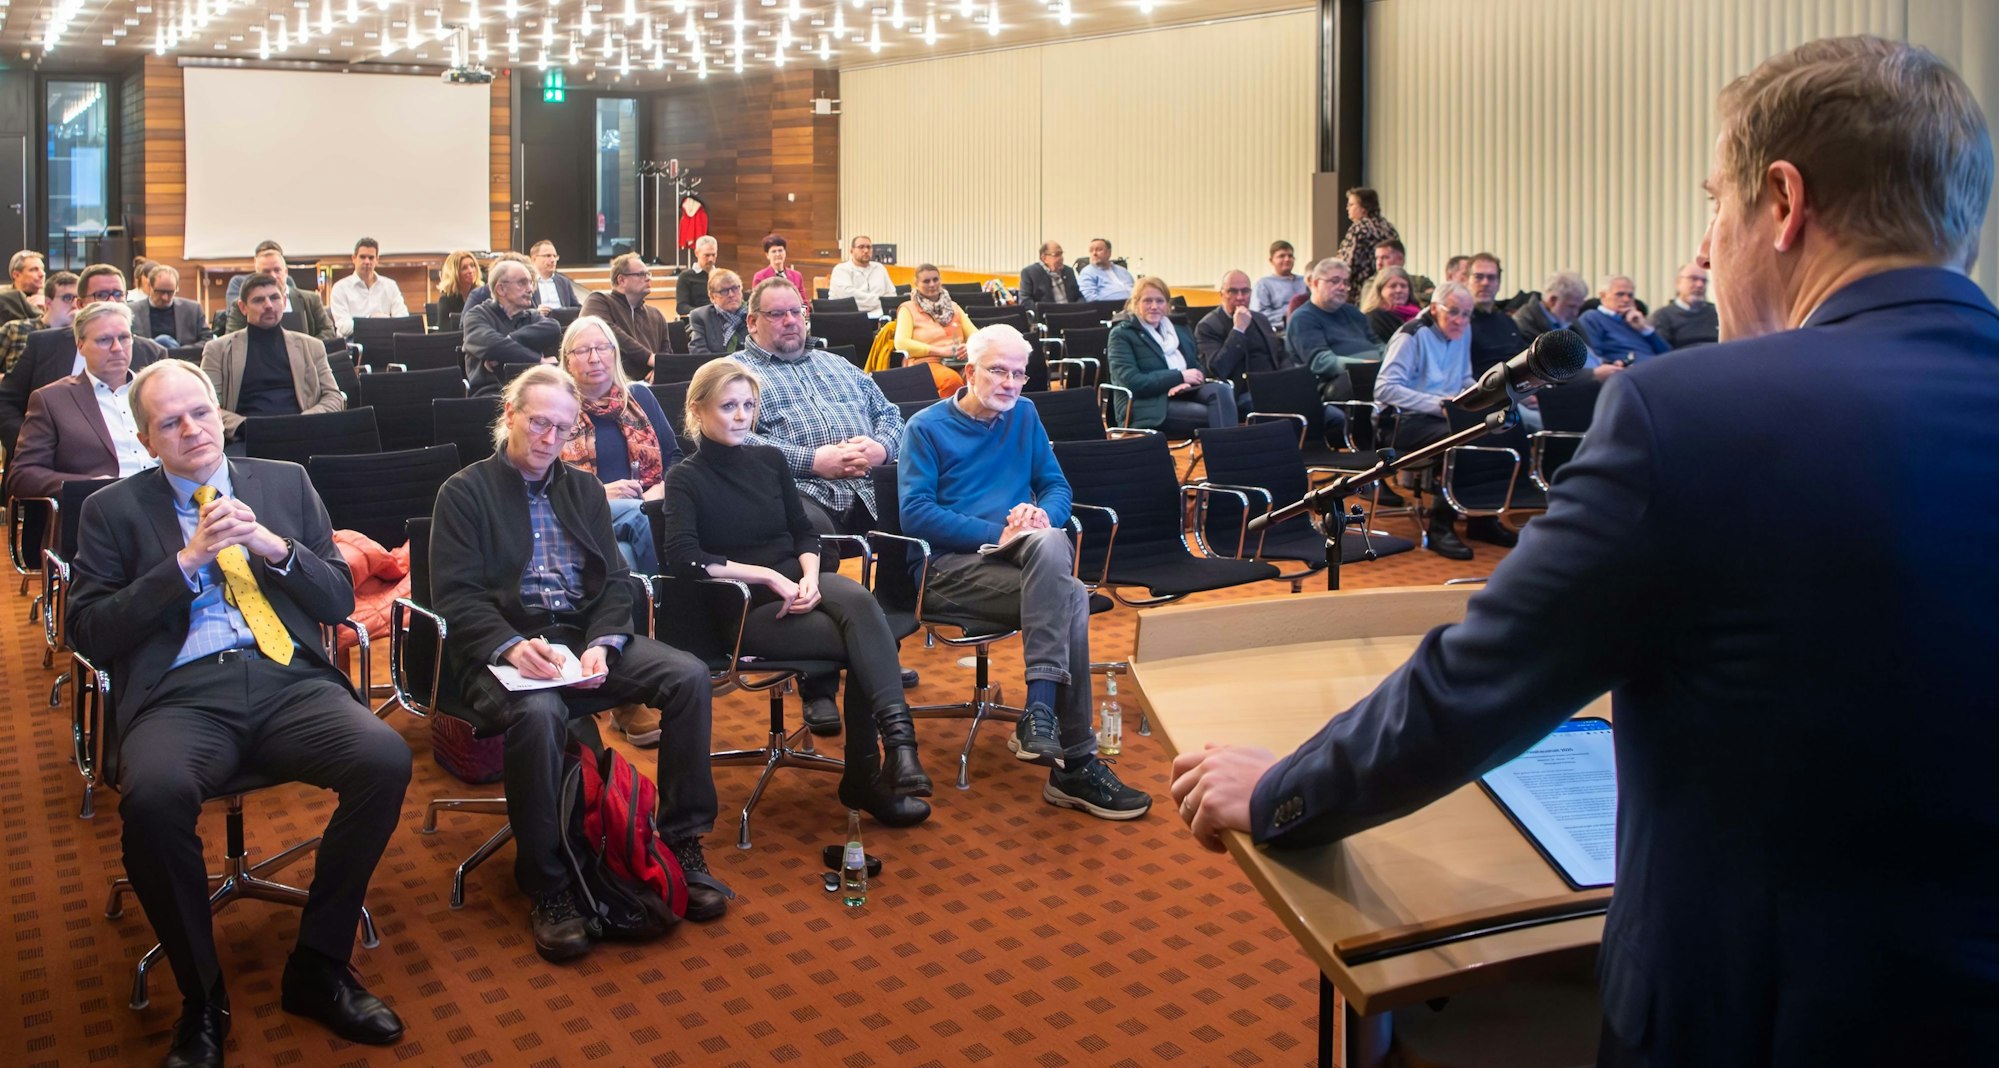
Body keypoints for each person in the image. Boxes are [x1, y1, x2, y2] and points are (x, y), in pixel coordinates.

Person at [1171, 35, 1998, 1068]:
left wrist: (1289, 786)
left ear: (1781, 203)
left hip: (1761, 1017)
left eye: (1715, 200)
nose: (1713, 234)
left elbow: (1477, 684)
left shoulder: (1692, 413)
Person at [66, 359, 412, 1067]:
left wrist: (269, 546)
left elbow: (337, 602)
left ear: (218, 410)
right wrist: (186, 562)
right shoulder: (112, 510)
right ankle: (202, 1000)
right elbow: (91, 632)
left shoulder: (283, 482)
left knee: (384, 759)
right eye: (171, 422)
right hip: (181, 694)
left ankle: (318, 964)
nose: (192, 429)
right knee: (155, 800)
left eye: (199, 411)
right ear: (145, 437)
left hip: (287, 678)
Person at [430, 364, 729, 964]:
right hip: (500, 651)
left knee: (688, 676)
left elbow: (614, 584)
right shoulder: (464, 492)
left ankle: (680, 840)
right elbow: (455, 599)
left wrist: (606, 641)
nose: (548, 437)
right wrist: (513, 646)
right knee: (539, 714)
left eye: (562, 429)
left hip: (578, 639)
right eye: (538, 422)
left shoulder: (584, 490)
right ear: (510, 415)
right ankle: (550, 886)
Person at [660, 358, 933, 827]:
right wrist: (768, 578)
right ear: (698, 411)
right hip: (746, 606)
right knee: (872, 639)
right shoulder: (686, 477)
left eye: (748, 405)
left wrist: (807, 576)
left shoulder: (768, 460)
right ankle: (879, 769)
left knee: (858, 603)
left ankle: (897, 753)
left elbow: (804, 532)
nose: (741, 416)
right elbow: (685, 557)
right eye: (728, 406)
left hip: (799, 583)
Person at [900, 324, 1151, 821]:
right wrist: (1001, 532)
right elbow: (916, 515)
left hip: (1025, 559)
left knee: (1056, 550)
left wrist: (1042, 518)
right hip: (948, 570)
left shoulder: (1026, 415)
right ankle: (1074, 764)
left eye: (1019, 373)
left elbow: (1055, 486)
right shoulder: (925, 428)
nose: (1011, 384)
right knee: (1072, 593)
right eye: (998, 371)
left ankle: (1042, 716)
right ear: (969, 373)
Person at [733, 276, 910, 733]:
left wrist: (880, 451)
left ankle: (879, 651)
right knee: (812, 542)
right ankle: (819, 680)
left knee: (913, 526)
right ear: (753, 322)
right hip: (799, 493)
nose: (791, 321)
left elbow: (891, 416)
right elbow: (737, 439)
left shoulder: (839, 365)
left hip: (869, 484)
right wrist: (814, 461)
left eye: (796, 312)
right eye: (777, 314)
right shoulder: (736, 374)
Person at [1374, 282, 1517, 558]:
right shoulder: (1411, 335)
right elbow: (1384, 389)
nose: (1460, 320)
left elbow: (1462, 377)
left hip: (1445, 414)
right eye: (1453, 312)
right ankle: (1441, 525)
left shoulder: (1462, 329)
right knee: (1461, 441)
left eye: (1466, 314)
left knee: (1497, 430)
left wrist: (1483, 396)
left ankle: (1481, 519)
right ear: (1435, 308)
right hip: (1402, 422)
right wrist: (1438, 405)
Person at [557, 315, 677, 579]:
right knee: (634, 529)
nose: (594, 358)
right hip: (582, 513)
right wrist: (598, 493)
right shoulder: (558, 408)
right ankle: (666, 604)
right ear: (568, 360)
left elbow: (675, 459)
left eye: (602, 348)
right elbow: (545, 479)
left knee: (625, 553)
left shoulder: (640, 396)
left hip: (648, 507)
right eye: (583, 350)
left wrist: (658, 490)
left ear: (614, 353)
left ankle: (647, 614)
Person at [0, 265, 166, 456]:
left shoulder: (152, 353)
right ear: (79, 304)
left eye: (119, 294)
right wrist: (31, 442)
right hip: (54, 460)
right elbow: (6, 402)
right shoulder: (43, 344)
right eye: (102, 294)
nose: (112, 302)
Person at [4, 301, 159, 498]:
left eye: (124, 337)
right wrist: (86, 486)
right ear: (81, 345)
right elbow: (22, 475)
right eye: (104, 340)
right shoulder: (52, 400)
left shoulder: (157, 391)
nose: (117, 348)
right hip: (99, 509)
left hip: (164, 500)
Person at [199, 272, 346, 440]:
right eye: (258, 300)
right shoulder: (217, 350)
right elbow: (207, 405)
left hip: (302, 434)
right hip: (247, 437)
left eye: (274, 298)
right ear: (243, 307)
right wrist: (244, 426)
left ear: (284, 302)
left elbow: (334, 397)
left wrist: (306, 420)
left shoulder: (312, 346)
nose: (268, 305)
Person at [1107, 275, 1237, 433]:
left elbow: (1197, 367)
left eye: (1160, 301)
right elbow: (1133, 382)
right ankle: (1228, 454)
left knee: (1222, 390)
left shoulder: (1180, 329)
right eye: (1147, 301)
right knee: (1212, 415)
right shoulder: (1121, 335)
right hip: (1144, 405)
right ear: (1136, 303)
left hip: (1184, 392)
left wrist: (1188, 382)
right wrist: (1178, 378)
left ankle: (1227, 453)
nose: (1154, 306)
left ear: (1167, 305)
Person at [1195, 269, 1299, 411]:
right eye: (1232, 291)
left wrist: (1287, 377)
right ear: (1222, 294)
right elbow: (1218, 368)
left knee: (1316, 405)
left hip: (1275, 385)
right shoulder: (1208, 326)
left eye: (1245, 291)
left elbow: (1280, 354)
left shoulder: (1260, 319)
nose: (1240, 297)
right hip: (1243, 392)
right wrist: (1238, 330)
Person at [1284, 258, 1382, 402]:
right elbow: (1321, 362)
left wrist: (1392, 359)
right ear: (1316, 283)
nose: (1342, 287)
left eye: (1346, 282)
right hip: (1334, 383)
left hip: (1372, 373)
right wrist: (1365, 366)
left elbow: (1377, 343)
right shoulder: (1303, 318)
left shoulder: (1353, 313)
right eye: (1335, 281)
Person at [462, 259, 562, 396]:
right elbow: (493, 346)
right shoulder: (476, 316)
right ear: (501, 289)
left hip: (532, 391)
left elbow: (553, 328)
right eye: (522, 283)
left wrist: (508, 340)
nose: (530, 289)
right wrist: (538, 361)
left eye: (530, 283)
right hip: (492, 393)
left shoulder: (531, 316)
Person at [581, 252, 672, 380]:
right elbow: (609, 333)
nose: (648, 278)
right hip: (612, 384)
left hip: (652, 384)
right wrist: (650, 358)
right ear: (621, 280)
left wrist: (660, 369)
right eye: (641, 274)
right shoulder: (598, 300)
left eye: (648, 274)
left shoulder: (656, 314)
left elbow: (666, 351)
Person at [893, 264, 977, 398]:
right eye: (926, 281)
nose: (932, 284)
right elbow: (901, 343)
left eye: (935, 279)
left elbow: (975, 335)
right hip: (925, 362)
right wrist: (938, 351)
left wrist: (968, 346)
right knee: (951, 381)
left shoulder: (953, 307)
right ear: (916, 283)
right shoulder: (907, 308)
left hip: (958, 360)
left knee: (979, 376)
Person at [222, 243, 338, 340]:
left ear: (286, 272)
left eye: (277, 270)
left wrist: (306, 349)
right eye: (266, 271)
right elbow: (232, 339)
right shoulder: (242, 305)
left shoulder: (311, 299)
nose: (273, 276)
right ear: (257, 274)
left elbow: (328, 331)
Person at [1578, 273, 1672, 364]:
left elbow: (1669, 355)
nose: (1626, 300)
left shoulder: (1636, 321)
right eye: (1620, 294)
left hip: (1655, 369)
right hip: (1626, 373)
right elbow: (1593, 358)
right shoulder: (1592, 318)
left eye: (1630, 295)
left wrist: (1645, 330)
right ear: (1603, 295)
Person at [327, 237, 408, 337]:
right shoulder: (340, 288)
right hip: (353, 343)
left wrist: (384, 321)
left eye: (371, 258)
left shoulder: (390, 285)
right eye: (362, 257)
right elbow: (344, 327)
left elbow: (403, 318)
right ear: (354, 259)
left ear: (377, 260)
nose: (367, 261)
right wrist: (370, 320)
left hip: (384, 340)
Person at [0, 269, 76, 373]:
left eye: (79, 299)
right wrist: (12, 380)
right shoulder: (15, 329)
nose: (75, 304)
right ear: (48, 302)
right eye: (67, 298)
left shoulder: (82, 338)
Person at [128, 265, 212, 349]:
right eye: (160, 292)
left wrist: (180, 351)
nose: (165, 297)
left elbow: (207, 340)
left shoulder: (193, 309)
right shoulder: (131, 311)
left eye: (170, 292)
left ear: (177, 288)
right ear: (149, 286)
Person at [1334, 187, 1399, 291]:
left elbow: (1347, 263)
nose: (1347, 208)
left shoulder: (1359, 229)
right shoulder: (1389, 228)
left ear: (1364, 208)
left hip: (1361, 290)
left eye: (1351, 205)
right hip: (1388, 285)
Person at [1647, 261, 1720, 348]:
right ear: (1678, 283)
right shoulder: (1662, 316)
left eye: (1704, 281)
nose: (1700, 285)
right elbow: (1661, 352)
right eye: (1693, 279)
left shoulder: (1718, 313)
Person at [1512, 269, 1588, 344]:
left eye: (1578, 307)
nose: (1575, 313)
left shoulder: (1570, 322)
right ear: (1553, 300)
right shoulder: (1523, 322)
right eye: (1571, 307)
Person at [829, 234, 895, 316]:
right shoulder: (841, 270)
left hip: (878, 317)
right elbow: (849, 299)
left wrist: (881, 302)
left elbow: (891, 294)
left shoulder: (880, 268)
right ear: (851, 251)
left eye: (869, 247)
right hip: (849, 317)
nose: (866, 250)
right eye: (861, 247)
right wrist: (879, 300)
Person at [685, 269, 747, 355]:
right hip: (716, 367)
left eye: (735, 288)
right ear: (712, 297)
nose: (731, 294)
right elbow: (698, 353)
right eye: (724, 291)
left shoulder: (754, 315)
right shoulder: (701, 317)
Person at [1252, 240, 1308, 329]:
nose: (1287, 259)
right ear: (1271, 260)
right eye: (1281, 256)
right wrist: (1289, 313)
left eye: (1290, 256)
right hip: (1279, 333)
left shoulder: (1305, 281)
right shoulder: (1264, 285)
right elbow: (1259, 315)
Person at [1359, 266, 1421, 343]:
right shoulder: (1375, 318)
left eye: (1403, 286)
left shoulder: (1421, 314)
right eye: (1393, 286)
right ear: (1380, 290)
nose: (1399, 290)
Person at [1017, 240, 1081, 310]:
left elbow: (1079, 296)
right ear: (1044, 258)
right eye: (1056, 255)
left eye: (1061, 254)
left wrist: (1077, 308)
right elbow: (1025, 301)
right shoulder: (1030, 273)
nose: (1061, 258)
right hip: (1047, 316)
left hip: (1071, 314)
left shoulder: (1068, 271)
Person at [1371, 239, 1435, 305]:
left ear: (1400, 260)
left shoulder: (1420, 282)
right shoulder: (1372, 283)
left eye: (1385, 257)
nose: (1379, 263)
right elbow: (1372, 303)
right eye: (1377, 258)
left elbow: (1434, 299)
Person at [527, 240, 583, 310]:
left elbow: (577, 308)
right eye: (548, 256)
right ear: (534, 259)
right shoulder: (528, 282)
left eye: (555, 256)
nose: (553, 260)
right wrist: (536, 312)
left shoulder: (564, 282)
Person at [1076, 238, 1134, 302]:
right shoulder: (1087, 273)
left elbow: (1136, 289)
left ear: (1109, 252)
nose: (1094, 253)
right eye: (1091, 250)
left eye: (1099, 250)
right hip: (1111, 308)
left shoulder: (1122, 270)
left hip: (1134, 305)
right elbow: (1091, 298)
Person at [675, 235, 718, 316]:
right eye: (707, 255)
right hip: (699, 320)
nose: (711, 259)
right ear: (696, 253)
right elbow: (681, 307)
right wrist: (705, 313)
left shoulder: (721, 276)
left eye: (714, 255)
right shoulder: (685, 277)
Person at [0, 248, 47, 322]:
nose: (42, 274)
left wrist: (49, 307)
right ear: (16, 275)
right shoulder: (3, 299)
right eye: (34, 269)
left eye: (42, 269)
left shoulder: (53, 296)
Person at [435, 249, 482, 321]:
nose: (470, 271)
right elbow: (445, 330)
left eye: (472, 266)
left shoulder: (480, 295)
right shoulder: (446, 300)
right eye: (464, 268)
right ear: (454, 273)